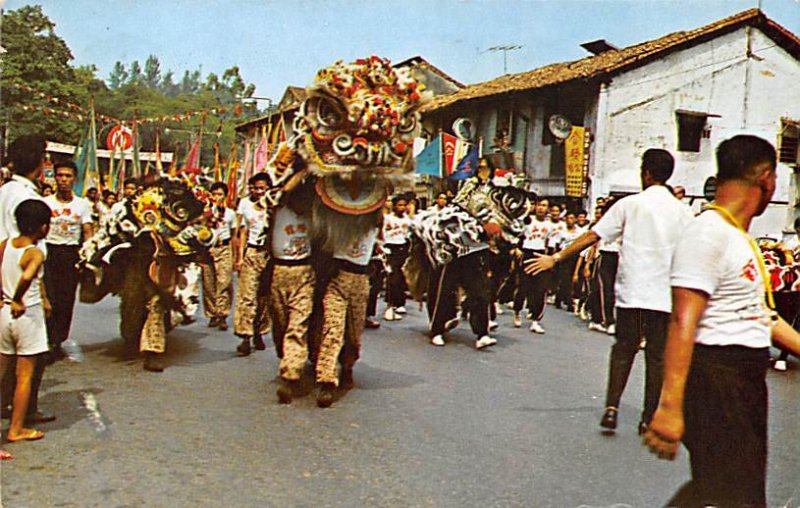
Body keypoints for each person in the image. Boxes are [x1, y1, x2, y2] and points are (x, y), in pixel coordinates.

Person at [644, 135, 800, 507]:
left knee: (722, 491)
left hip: (744, 379)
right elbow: (683, 320)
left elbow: (759, 315)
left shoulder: (736, 238)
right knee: (735, 496)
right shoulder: (707, 233)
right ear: (766, 179)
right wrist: (668, 405)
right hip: (717, 378)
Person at [527, 149, 692, 433]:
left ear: (647, 173)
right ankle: (647, 417)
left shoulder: (630, 205)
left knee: (623, 350)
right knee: (656, 357)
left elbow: (593, 235)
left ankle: (612, 408)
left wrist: (555, 258)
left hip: (632, 294)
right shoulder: (684, 212)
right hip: (664, 298)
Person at [0, 135, 56, 425]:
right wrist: (43, 295)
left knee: (5, 355)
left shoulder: (4, 190)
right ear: (39, 163)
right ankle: (26, 411)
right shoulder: (29, 198)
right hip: (24, 282)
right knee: (31, 356)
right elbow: (36, 254)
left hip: (4, 272)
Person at [0, 199, 53, 442]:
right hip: (26, 316)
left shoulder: (5, 245)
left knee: (2, 371)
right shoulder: (35, 252)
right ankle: (16, 429)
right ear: (43, 227)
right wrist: (19, 298)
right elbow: (29, 275)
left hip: (4, 313)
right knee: (24, 376)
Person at [315, 222, 381, 408]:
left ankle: (347, 365)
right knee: (332, 330)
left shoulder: (374, 222)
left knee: (354, 333)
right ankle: (326, 380)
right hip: (338, 277)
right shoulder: (336, 219)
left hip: (360, 280)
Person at [268, 171, 315, 404]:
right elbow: (281, 190)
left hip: (304, 272)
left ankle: (291, 375)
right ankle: (286, 357)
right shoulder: (277, 208)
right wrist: (304, 168)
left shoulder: (316, 215)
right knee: (281, 323)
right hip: (278, 272)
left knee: (298, 325)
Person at [42, 160, 94, 361]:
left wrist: (86, 256)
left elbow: (88, 232)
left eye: (68, 176)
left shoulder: (82, 205)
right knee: (49, 298)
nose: (63, 180)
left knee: (66, 300)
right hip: (49, 253)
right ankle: (46, 340)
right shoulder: (46, 203)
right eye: (60, 175)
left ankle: (57, 340)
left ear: (75, 179)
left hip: (71, 255)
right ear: (55, 178)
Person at [233, 173, 270, 355]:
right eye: (254, 188)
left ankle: (259, 332)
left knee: (264, 296)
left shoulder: (274, 204)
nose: (258, 191)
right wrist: (239, 257)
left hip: (270, 254)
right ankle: (245, 336)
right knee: (247, 295)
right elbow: (242, 232)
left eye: (262, 188)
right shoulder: (245, 204)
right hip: (252, 252)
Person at [513, 197, 557, 333]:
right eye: (539, 205)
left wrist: (551, 259)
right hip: (527, 253)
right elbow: (515, 235)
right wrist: (516, 249)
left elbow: (551, 245)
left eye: (544, 206)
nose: (541, 208)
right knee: (523, 286)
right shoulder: (527, 221)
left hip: (541, 255)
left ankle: (536, 320)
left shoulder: (551, 226)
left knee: (540, 288)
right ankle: (517, 311)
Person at [201, 183, 237, 331]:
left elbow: (235, 234)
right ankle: (212, 314)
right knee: (209, 283)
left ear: (225, 196)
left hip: (224, 248)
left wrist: (235, 255)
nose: (217, 197)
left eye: (220, 194)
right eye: (214, 194)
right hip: (208, 249)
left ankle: (222, 314)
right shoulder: (204, 212)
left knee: (224, 281)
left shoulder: (230, 214)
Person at [382, 195, 412, 321]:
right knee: (392, 276)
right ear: (394, 206)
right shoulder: (387, 219)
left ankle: (400, 303)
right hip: (390, 247)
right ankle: (390, 304)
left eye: (404, 205)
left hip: (403, 247)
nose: (402, 207)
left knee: (401, 276)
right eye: (399, 205)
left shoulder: (408, 220)